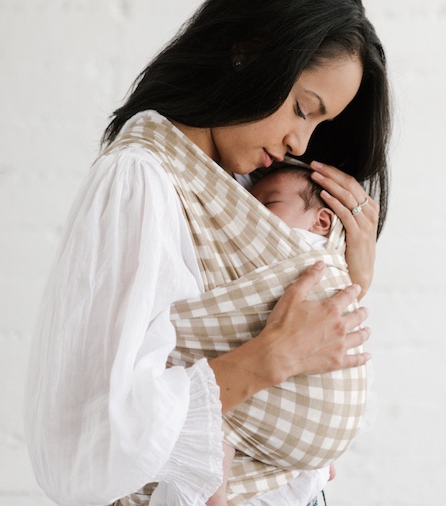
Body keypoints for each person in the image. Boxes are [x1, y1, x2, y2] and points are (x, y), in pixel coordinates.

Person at [24, 1, 391, 506]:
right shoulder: (141, 179)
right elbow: (91, 437)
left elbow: (301, 346)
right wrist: (270, 358)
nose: (299, 142)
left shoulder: (245, 186)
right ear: (249, 54)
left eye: (318, 126)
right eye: (302, 109)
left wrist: (351, 280)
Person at [207, 164, 337, 506]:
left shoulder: (314, 250)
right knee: (214, 420)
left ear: (320, 222)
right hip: (261, 363)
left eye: (269, 205)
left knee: (218, 421)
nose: (254, 213)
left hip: (300, 363)